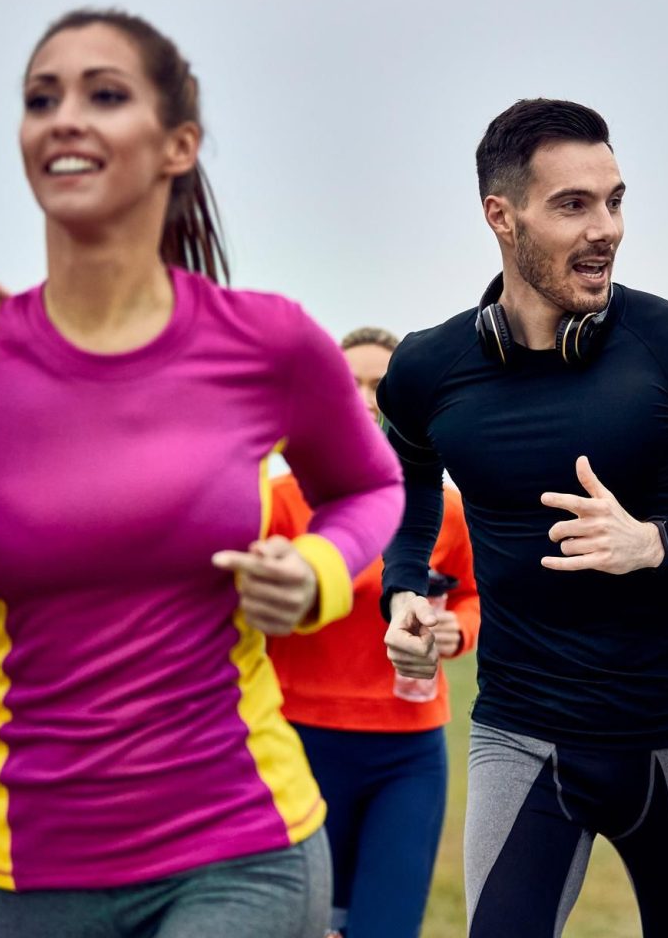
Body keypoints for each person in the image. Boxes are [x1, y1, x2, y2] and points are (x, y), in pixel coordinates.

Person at [0, 9, 404, 938]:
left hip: (242, 846)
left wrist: (319, 574)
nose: (64, 118)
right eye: (41, 98)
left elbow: (371, 488)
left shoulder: (267, 341)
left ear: (177, 145)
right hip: (35, 867)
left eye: (105, 94)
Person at [378, 98, 668, 937]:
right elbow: (406, 493)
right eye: (573, 205)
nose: (607, 229)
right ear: (501, 216)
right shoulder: (428, 369)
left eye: (615, 200)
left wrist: (655, 541)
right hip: (522, 734)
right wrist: (405, 590)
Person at [266, 325, 480, 938]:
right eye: (348, 383)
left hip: (408, 755)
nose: (363, 398)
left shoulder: (446, 510)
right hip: (298, 744)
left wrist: (454, 633)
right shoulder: (280, 502)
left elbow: (474, 599)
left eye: (378, 386)